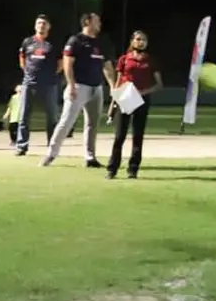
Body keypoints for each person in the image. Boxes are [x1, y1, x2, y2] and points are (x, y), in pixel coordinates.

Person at [40, 13, 116, 167]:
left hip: (97, 88)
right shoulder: (76, 41)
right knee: (66, 121)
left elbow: (107, 67)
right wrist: (71, 85)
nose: (100, 23)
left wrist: (113, 87)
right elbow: (67, 64)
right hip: (79, 86)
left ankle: (90, 157)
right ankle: (51, 154)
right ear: (88, 22)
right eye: (97, 20)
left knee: (92, 124)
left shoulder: (101, 42)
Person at [106, 31, 164, 180]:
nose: (141, 42)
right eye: (138, 39)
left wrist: (143, 92)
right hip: (125, 99)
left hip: (142, 101)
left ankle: (133, 169)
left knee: (138, 136)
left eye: (144, 39)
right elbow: (119, 81)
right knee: (120, 136)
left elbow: (159, 84)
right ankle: (112, 169)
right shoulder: (124, 59)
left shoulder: (151, 60)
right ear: (132, 41)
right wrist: (113, 104)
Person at [15, 14, 62, 156]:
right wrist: (28, 73)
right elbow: (22, 59)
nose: (41, 25)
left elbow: (61, 64)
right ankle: (21, 146)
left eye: (44, 23)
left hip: (49, 84)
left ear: (49, 26)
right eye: (39, 23)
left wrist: (50, 75)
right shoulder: (27, 42)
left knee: (52, 117)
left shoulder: (54, 44)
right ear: (35, 26)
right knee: (24, 115)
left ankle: (51, 147)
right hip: (29, 83)